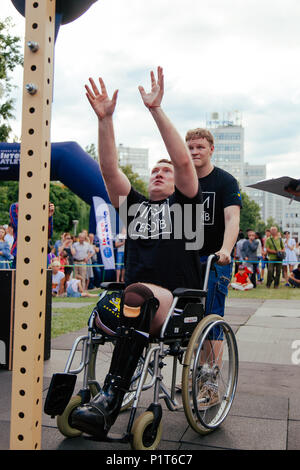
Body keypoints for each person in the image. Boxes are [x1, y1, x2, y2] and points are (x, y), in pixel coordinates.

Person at [70, 67, 203, 439]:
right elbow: (109, 169)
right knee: (116, 299)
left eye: (166, 170)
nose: (160, 173)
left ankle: (110, 399)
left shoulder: (186, 206)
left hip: (176, 300)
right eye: (154, 170)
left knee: (136, 294)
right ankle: (84, 394)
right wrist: (106, 120)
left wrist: (156, 110)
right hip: (136, 298)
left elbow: (183, 162)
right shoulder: (135, 209)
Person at [10, 201, 55, 269]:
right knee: (17, 278)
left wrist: (49, 216)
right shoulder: (16, 206)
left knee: (40, 279)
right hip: (22, 251)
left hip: (40, 253)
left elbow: (48, 235)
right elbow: (19, 228)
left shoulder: (43, 206)